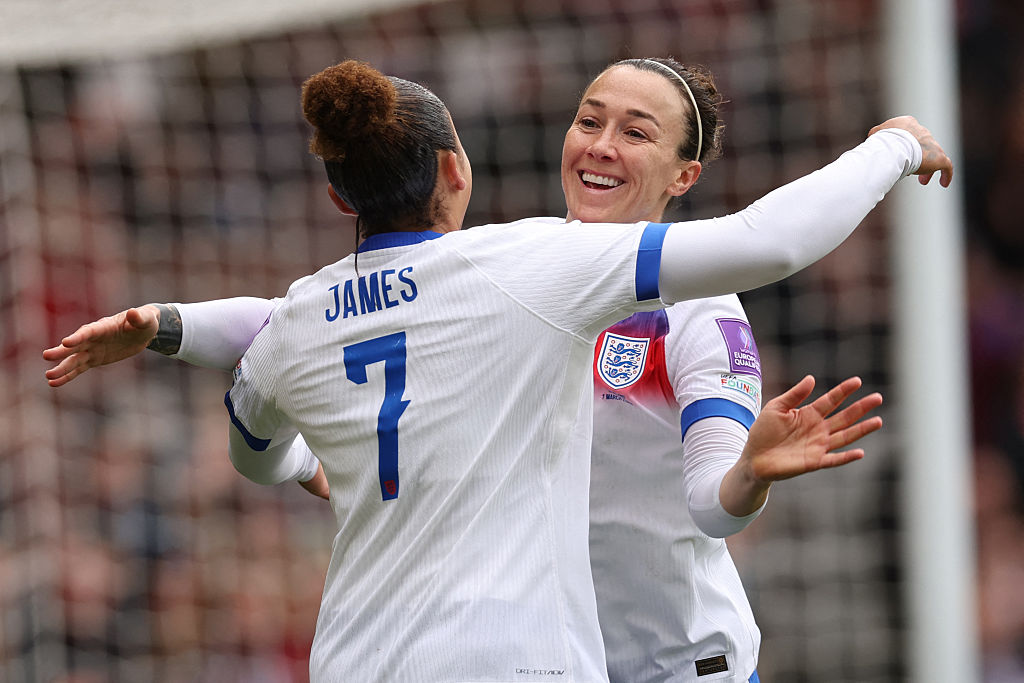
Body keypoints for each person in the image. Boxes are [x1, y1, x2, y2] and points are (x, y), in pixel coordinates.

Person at [44, 58, 950, 683]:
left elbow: (711, 503)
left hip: (676, 660)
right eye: (589, 119)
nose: (600, 143)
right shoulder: (517, 269)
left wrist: (750, 470)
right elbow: (299, 318)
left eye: (636, 132)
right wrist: (173, 321)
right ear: (456, 169)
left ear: (683, 176)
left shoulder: (691, 308)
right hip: (545, 653)